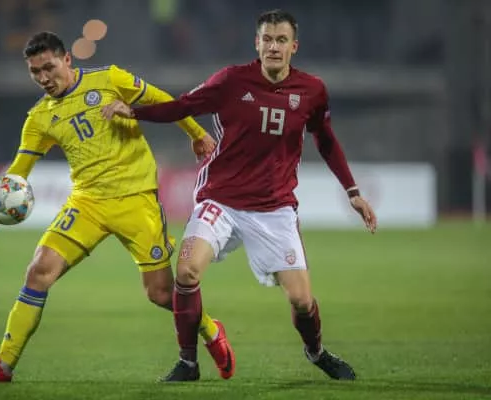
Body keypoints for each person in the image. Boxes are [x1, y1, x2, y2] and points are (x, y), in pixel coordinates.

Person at [101, 9, 378, 382]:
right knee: (186, 271)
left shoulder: (312, 91)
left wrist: (353, 191)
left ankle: (316, 352)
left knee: (301, 300)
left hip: (274, 208)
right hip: (221, 199)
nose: (274, 47)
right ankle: (188, 362)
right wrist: (134, 112)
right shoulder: (231, 81)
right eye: (268, 39)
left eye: (281, 40)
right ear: (257, 43)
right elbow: (184, 106)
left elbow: (325, 139)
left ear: (294, 46)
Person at [0, 31, 235, 382]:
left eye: (49, 67)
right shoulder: (39, 117)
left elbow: (162, 99)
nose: (43, 78)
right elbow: (18, 173)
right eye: (35, 72)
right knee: (38, 271)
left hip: (136, 200)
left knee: (161, 293)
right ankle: (4, 363)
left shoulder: (109, 79)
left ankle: (210, 328)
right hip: (86, 203)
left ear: (67, 59)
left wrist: (196, 133)